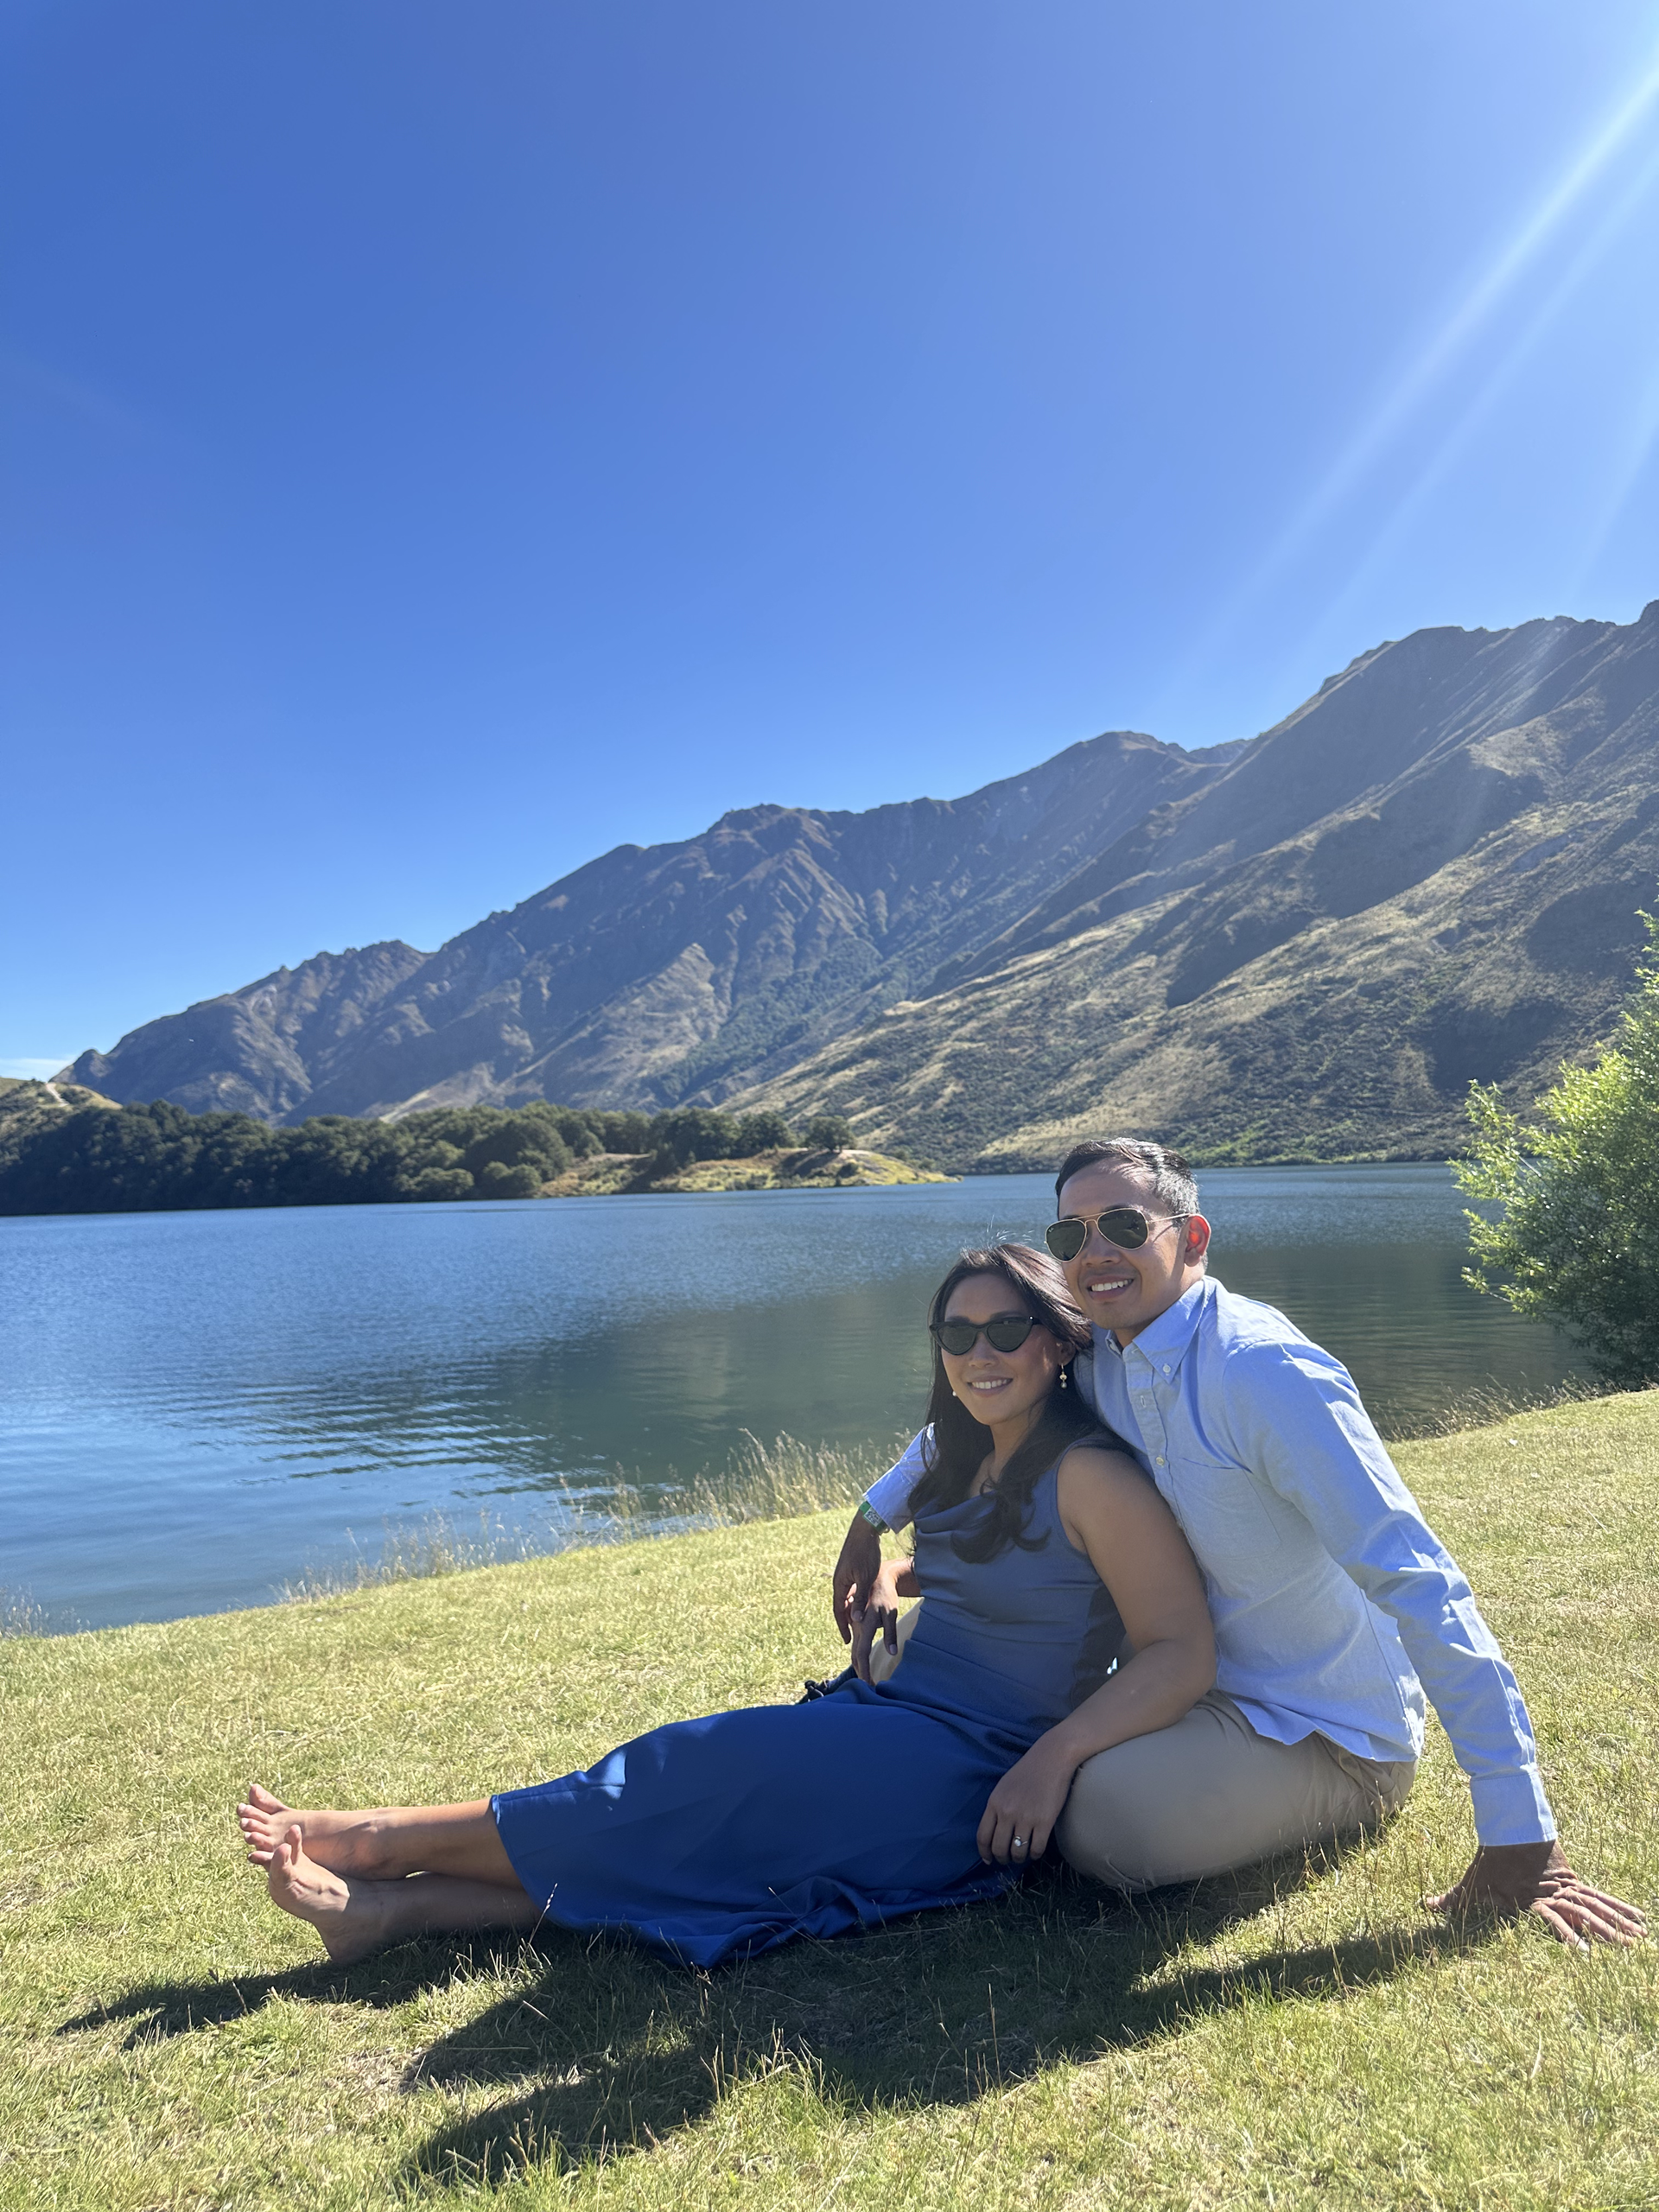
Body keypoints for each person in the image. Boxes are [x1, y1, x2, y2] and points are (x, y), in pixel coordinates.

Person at [238, 1244, 1215, 1970]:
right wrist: (894, 1573)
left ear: (1059, 1340)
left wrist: (1052, 1761)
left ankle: (379, 1842)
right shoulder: (967, 1453)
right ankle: (393, 1913)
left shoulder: (1092, 1477)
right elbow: (1014, 1571)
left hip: (978, 1765)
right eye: (957, 1334)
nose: (979, 1352)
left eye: (1006, 1329)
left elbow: (1179, 1649)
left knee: (694, 1771)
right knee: (711, 1831)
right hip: (889, 1715)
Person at [835, 1138, 1645, 1949]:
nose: (1095, 1253)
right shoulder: (1102, 1355)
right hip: (1165, 1681)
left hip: (1316, 1726)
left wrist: (1520, 1831)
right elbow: (980, 1401)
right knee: (914, 1648)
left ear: (1192, 1238)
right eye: (1071, 1235)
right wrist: (873, 1520)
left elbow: (1418, 1580)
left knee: (1106, 1821)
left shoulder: (1265, 1372)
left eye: (1123, 1225)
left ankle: (1359, 1795)